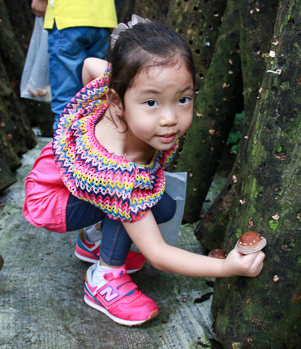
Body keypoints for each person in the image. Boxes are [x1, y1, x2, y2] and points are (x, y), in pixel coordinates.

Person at [23, 19, 265, 326]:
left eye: (183, 99)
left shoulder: (121, 86)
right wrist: (228, 268)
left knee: (161, 205)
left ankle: (94, 239)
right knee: (133, 208)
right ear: (117, 101)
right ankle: (103, 278)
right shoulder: (121, 177)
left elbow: (89, 65)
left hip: (65, 176)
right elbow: (159, 254)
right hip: (50, 198)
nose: (169, 118)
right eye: (151, 102)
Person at [30, 0, 117, 133]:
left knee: (66, 103)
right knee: (94, 99)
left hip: (68, 16)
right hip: (102, 18)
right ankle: (89, 150)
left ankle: (63, 151)